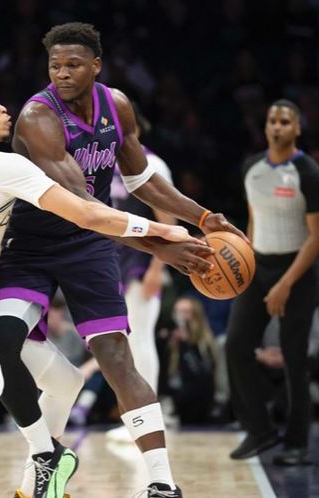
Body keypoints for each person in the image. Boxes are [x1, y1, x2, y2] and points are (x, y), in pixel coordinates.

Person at [0, 77, 193, 498]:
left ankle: (37, 479)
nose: (4, 109)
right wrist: (163, 232)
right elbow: (87, 214)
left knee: (67, 382)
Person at [0, 23, 245, 498]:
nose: (62, 73)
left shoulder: (117, 105)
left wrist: (205, 217)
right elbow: (84, 208)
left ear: (96, 66)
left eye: (73, 64)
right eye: (54, 65)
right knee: (4, 340)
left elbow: (142, 181)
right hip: (32, 246)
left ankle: (162, 483)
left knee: (117, 358)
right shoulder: (37, 118)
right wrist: (161, 245)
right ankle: (46, 453)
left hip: (88, 247)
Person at [226, 99, 319, 465]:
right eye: (272, 120)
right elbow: (255, 218)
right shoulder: (252, 167)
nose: (277, 126)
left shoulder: (309, 173)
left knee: (295, 358)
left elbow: (318, 237)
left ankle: (298, 444)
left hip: (298, 270)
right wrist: (247, 263)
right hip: (260, 266)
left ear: (297, 128)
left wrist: (285, 284)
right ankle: (260, 429)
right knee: (236, 345)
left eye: (285, 121)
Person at [104, 104, 176, 443]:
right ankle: (135, 419)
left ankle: (149, 420)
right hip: (113, 261)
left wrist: (158, 270)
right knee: (123, 345)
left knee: (141, 339)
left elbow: (168, 219)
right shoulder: (105, 161)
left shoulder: (153, 163)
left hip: (143, 262)